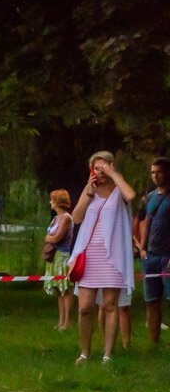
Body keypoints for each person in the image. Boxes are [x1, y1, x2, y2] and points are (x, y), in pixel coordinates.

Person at [69, 151, 136, 364]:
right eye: (97, 168)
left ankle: (107, 354)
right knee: (85, 307)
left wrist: (114, 174)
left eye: (104, 167)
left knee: (109, 304)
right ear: (91, 170)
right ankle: (85, 352)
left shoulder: (119, 188)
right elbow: (77, 218)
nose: (101, 172)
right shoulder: (90, 190)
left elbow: (131, 195)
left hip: (113, 255)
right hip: (90, 254)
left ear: (112, 166)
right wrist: (88, 193)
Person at [137, 156, 170, 343]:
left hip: (167, 255)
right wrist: (142, 248)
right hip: (150, 255)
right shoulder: (150, 197)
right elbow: (147, 223)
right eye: (152, 172)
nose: (155, 176)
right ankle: (154, 343)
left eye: (158, 172)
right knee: (151, 299)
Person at [43, 189, 75, 331]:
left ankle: (67, 321)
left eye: (52, 199)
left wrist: (49, 238)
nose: (50, 202)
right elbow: (50, 236)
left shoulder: (66, 218)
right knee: (57, 289)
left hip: (62, 256)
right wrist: (50, 238)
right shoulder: (55, 218)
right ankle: (60, 320)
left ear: (58, 201)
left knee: (65, 289)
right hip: (54, 257)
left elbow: (56, 237)